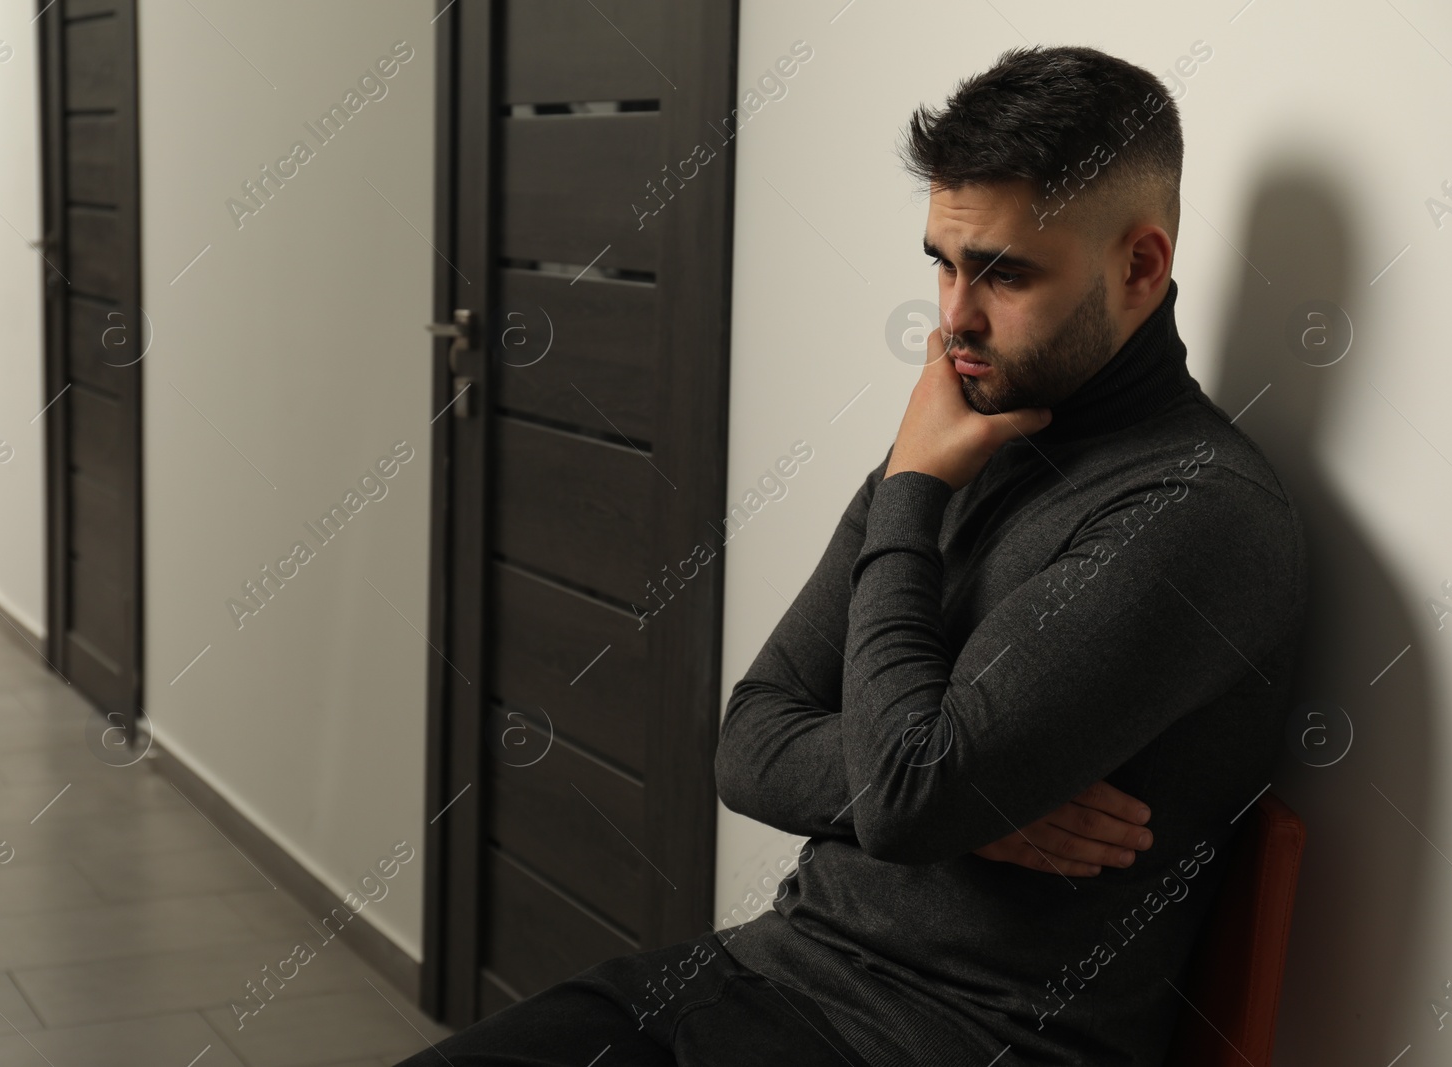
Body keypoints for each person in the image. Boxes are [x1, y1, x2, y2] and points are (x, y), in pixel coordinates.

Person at [395, 42, 1307, 1067]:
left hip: (945, 1037)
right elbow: (750, 736)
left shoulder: (1195, 509)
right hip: (771, 973)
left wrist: (912, 496)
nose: (953, 316)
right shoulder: (961, 426)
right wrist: (948, 803)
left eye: (1003, 273)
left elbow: (910, 789)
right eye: (943, 262)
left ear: (1139, 265)